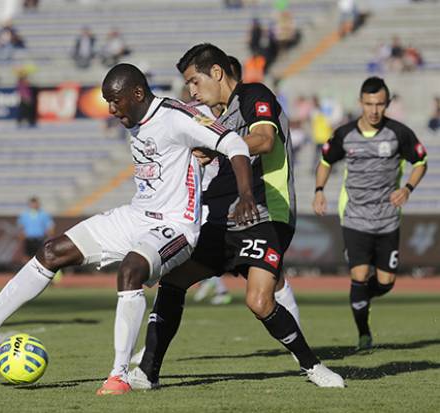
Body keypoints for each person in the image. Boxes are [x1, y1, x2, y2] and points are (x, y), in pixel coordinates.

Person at [0, 63, 257, 395]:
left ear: (138, 93)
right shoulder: (137, 118)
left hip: (175, 227)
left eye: (116, 101)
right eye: (107, 101)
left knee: (131, 270)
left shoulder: (177, 117)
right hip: (135, 216)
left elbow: (235, 144)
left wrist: (245, 196)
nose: (111, 110)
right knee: (50, 251)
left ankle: (118, 376)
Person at [129, 43, 344, 390]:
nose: (192, 91)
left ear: (216, 73)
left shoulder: (253, 94)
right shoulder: (214, 115)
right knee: (173, 280)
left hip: (264, 214)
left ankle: (311, 366)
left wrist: (218, 146)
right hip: (219, 219)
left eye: (195, 82)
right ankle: (147, 373)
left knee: (259, 301)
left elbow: (264, 139)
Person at [313, 77, 427, 352]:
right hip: (355, 217)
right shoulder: (345, 134)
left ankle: (360, 297)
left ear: (387, 104)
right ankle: (364, 334)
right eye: (369, 104)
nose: (374, 110)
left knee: (386, 283)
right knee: (360, 274)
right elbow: (326, 161)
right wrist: (319, 190)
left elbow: (420, 161)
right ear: (360, 103)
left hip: (388, 219)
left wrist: (408, 188)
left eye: (379, 104)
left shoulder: (399, 133)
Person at [17, 197, 55, 262]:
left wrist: (49, 235)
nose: (34, 205)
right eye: (32, 204)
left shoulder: (44, 214)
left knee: (41, 256)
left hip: (39, 239)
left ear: (38, 204)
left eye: (35, 204)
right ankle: (27, 270)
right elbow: (20, 226)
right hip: (28, 238)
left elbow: (50, 225)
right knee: (27, 256)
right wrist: (21, 236)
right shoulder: (24, 215)